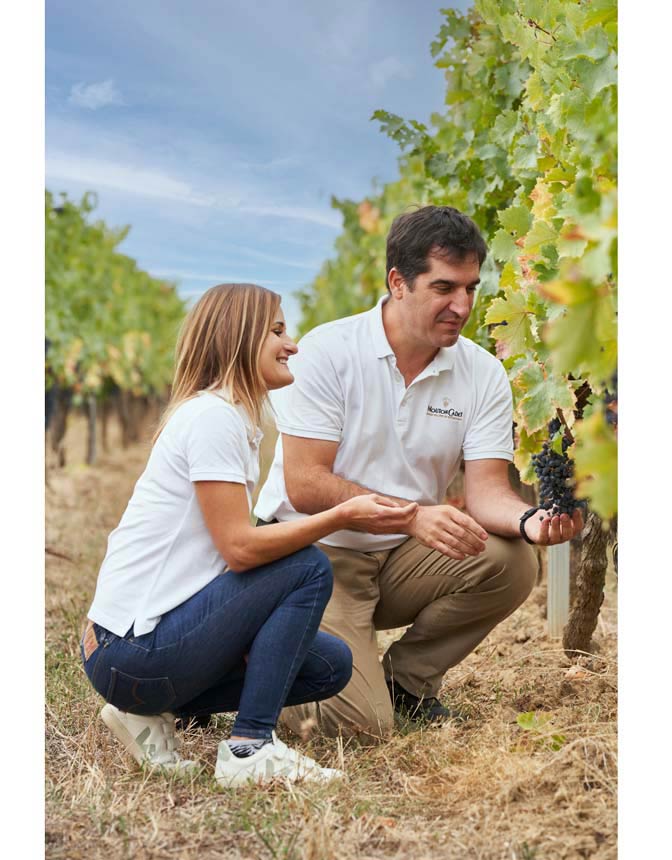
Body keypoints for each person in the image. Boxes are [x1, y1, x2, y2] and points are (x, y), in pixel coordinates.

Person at [254, 205, 582, 743]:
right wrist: (411, 518)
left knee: (510, 560)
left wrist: (530, 521)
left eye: (471, 288)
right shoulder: (328, 352)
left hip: (399, 557)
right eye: (444, 288)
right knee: (352, 729)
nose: (463, 306)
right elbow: (305, 484)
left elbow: (487, 491)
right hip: (314, 556)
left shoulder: (481, 373)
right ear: (398, 283)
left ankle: (406, 683)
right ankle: (255, 657)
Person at [81, 283, 418, 786]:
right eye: (278, 331)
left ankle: (146, 711)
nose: (292, 345)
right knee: (307, 565)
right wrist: (342, 515)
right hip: (131, 653)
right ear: (239, 338)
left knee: (330, 665)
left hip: (131, 652)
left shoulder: (228, 419)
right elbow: (239, 549)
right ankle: (250, 748)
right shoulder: (212, 419)